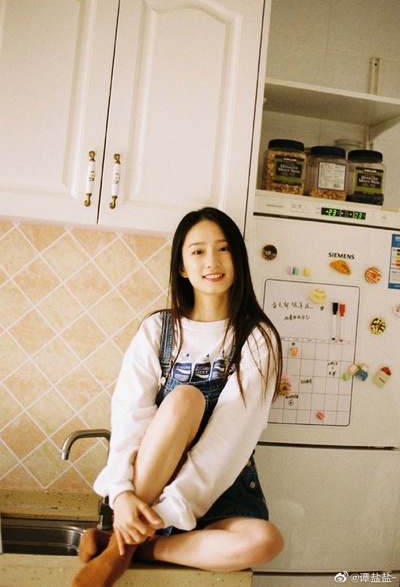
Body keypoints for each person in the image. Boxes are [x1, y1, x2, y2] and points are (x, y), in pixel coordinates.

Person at [72, 207, 284, 587]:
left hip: (220, 489)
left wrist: (166, 514)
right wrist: (121, 495)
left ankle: (130, 546)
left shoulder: (257, 338)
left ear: (238, 258)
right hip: (150, 491)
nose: (212, 261)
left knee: (266, 541)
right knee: (186, 399)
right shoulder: (158, 329)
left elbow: (229, 439)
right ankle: (127, 542)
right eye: (198, 251)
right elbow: (130, 415)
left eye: (223, 249)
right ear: (182, 267)